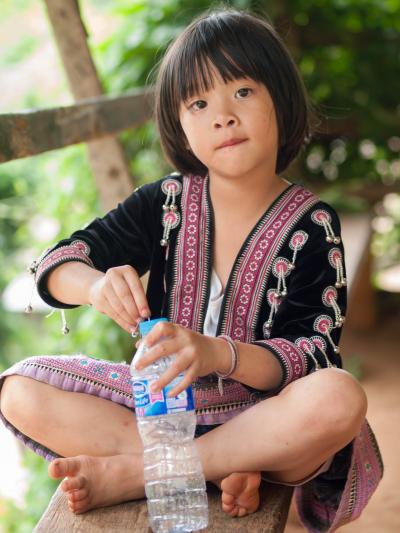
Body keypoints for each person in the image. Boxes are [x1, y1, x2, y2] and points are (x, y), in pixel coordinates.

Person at [0, 8, 382, 531]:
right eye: (199, 103)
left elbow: (312, 353)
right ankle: (219, 465)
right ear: (180, 125)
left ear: (281, 98)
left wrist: (216, 354)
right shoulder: (166, 202)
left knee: (339, 397)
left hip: (267, 419)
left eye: (242, 92)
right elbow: (54, 266)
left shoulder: (312, 225)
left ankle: (139, 474)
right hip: (163, 414)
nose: (222, 115)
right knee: (17, 390)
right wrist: (95, 286)